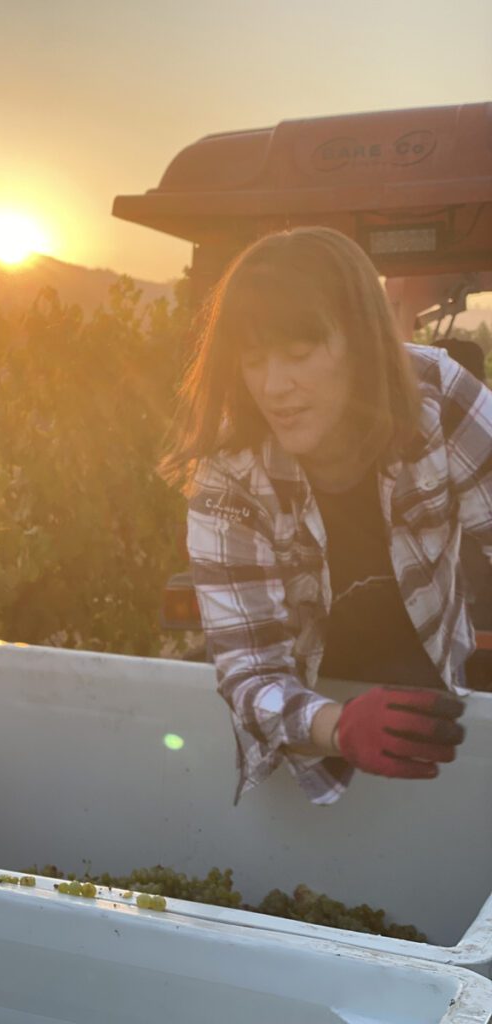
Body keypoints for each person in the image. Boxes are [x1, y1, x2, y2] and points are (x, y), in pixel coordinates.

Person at [158, 226, 491, 805]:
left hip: (438, 703)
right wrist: (339, 726)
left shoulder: (440, 397)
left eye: (298, 354)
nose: (273, 386)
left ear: (361, 343)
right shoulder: (228, 476)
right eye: (254, 360)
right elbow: (251, 672)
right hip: (303, 744)